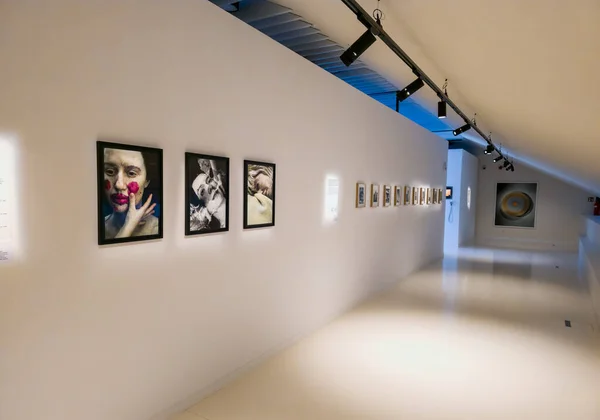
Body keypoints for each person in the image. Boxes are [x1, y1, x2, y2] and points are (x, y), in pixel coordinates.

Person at [103, 148, 158, 239]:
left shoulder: (157, 228)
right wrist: (128, 227)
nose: (119, 185)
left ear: (147, 180)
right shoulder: (92, 230)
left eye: (131, 173)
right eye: (110, 171)